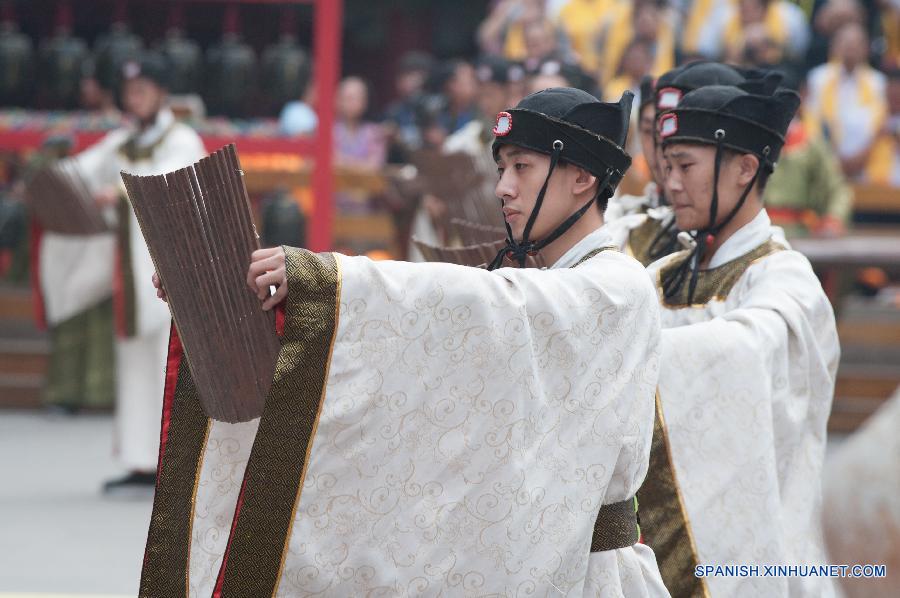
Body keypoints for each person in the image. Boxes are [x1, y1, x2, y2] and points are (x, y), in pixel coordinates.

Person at [145, 88, 670, 596]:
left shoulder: (616, 287)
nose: (503, 188)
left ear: (582, 177)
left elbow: (489, 303)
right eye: (501, 169)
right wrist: (241, 308)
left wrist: (324, 284)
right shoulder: (554, 282)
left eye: (522, 168)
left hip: (593, 575)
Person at [643, 78, 839, 596]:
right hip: (657, 540)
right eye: (666, 168)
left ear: (745, 168)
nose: (671, 185)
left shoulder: (785, 280)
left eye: (685, 167)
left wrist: (633, 354)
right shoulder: (661, 274)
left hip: (754, 552)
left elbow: (750, 350)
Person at [74, 52, 206, 494]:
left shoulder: (181, 139)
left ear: (161, 92)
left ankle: (172, 463)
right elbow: (82, 172)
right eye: (129, 91)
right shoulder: (124, 139)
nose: (135, 98)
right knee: (134, 361)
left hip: (172, 272)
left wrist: (118, 191)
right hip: (132, 270)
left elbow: (172, 183)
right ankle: (139, 458)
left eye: (143, 89)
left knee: (168, 361)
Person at [606, 61, 756, 266]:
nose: (661, 149)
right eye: (651, 132)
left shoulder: (773, 265)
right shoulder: (626, 224)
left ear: (745, 167)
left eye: (686, 163)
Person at [807, 22, 888, 179]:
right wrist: (834, 160)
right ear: (834, 46)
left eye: (856, 43)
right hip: (827, 164)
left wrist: (859, 158)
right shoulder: (818, 78)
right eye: (845, 42)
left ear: (866, 48)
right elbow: (812, 123)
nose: (851, 48)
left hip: (868, 164)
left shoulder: (878, 83)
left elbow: (881, 126)